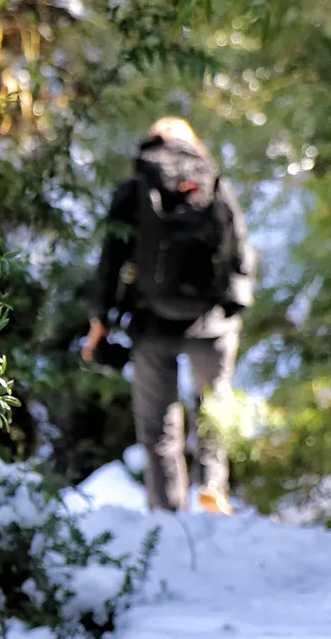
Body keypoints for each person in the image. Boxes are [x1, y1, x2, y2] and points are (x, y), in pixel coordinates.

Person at [82, 117, 256, 514]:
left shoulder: (134, 187)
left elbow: (111, 259)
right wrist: (234, 308)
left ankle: (165, 510)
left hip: (151, 320)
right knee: (212, 406)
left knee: (157, 423)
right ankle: (212, 489)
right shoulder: (214, 181)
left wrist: (100, 321)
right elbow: (241, 249)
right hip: (212, 322)